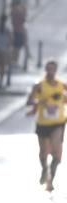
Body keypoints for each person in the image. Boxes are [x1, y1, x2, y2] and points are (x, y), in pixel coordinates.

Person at [27, 60, 65, 192]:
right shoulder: (39, 86)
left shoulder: (62, 85)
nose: (50, 72)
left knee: (56, 151)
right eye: (48, 69)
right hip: (43, 123)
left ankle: (51, 180)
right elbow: (29, 101)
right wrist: (39, 101)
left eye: (53, 69)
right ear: (45, 70)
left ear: (56, 70)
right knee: (43, 152)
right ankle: (44, 169)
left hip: (58, 123)